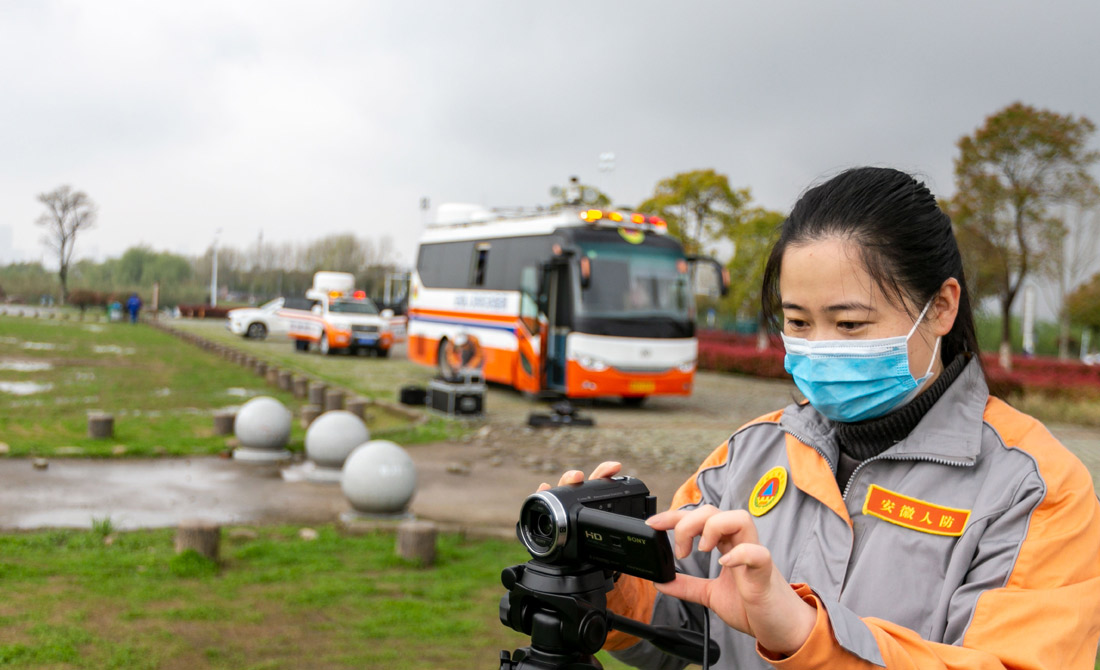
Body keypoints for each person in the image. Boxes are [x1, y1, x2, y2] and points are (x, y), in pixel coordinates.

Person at [543, 167, 1100, 669]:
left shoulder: (1035, 487)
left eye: (850, 324)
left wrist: (806, 635)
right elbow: (684, 624)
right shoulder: (750, 452)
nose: (820, 348)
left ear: (942, 307)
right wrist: (603, 579)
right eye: (799, 323)